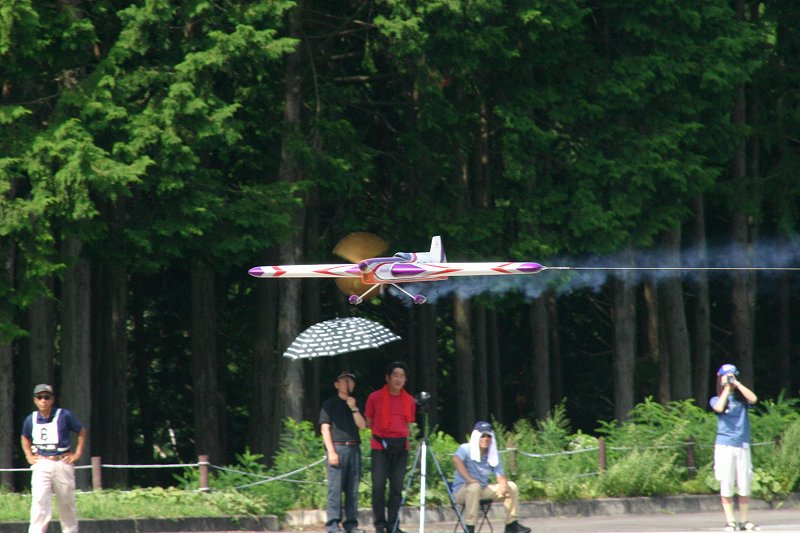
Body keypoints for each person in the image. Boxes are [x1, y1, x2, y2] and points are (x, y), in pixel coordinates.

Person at [20, 384, 87, 533]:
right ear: (35, 400)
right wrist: (28, 455)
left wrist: (77, 453)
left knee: (66, 502)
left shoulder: (64, 415)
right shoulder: (31, 419)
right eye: (39, 397)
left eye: (46, 397)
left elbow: (81, 430)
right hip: (42, 462)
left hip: (62, 461)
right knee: (39, 501)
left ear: (52, 399)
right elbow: (25, 437)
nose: (43, 400)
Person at [452, 421, 531, 533]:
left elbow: (500, 474)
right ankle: (469, 528)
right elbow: (456, 460)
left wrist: (503, 484)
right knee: (474, 487)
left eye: (488, 436)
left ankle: (511, 524)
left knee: (511, 486)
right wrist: (469, 479)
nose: (485, 438)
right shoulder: (465, 448)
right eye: (482, 435)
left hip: (482, 489)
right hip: (462, 491)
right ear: (476, 436)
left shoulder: (492, 453)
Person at [365, 361, 416, 533]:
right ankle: (379, 524)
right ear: (387, 378)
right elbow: (369, 421)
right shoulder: (375, 397)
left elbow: (409, 425)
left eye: (402, 376)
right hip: (380, 445)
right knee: (378, 486)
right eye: (395, 375)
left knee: (396, 487)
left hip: (401, 447)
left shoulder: (409, 400)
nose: (398, 379)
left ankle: (394, 525)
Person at [710, 364, 759, 532]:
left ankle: (744, 521)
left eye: (732, 375)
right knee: (726, 482)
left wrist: (737, 385)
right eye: (727, 376)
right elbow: (718, 408)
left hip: (742, 444)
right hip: (724, 444)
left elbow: (753, 399)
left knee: (744, 482)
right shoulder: (716, 398)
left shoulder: (741, 399)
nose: (730, 378)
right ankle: (730, 521)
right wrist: (725, 389)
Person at [320, 370, 368, 533]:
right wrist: (331, 452)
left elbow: (363, 426)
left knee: (352, 489)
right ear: (337, 384)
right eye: (344, 380)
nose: (348, 384)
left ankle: (351, 524)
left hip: (354, 448)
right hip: (337, 447)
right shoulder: (329, 404)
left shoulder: (356, 403)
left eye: (351, 381)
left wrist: (354, 408)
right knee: (335, 489)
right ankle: (333, 525)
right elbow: (325, 428)